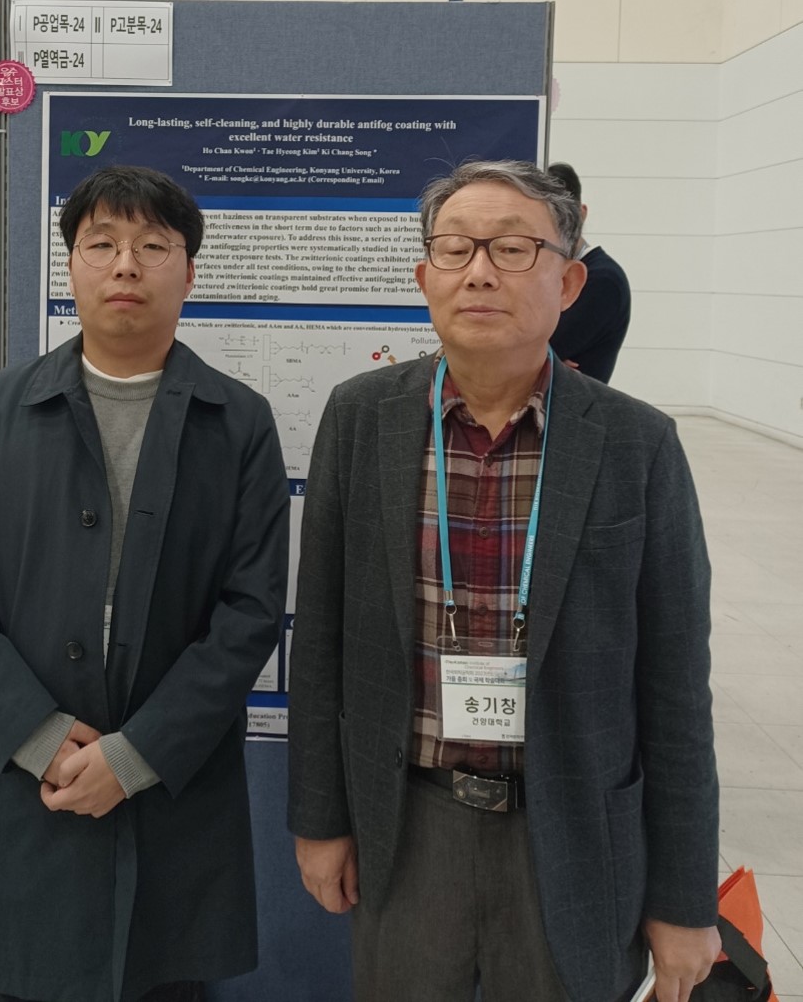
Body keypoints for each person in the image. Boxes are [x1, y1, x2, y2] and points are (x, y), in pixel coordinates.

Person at [287, 159, 718, 1002]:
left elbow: (674, 686)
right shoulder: (360, 417)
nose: (479, 270)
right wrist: (319, 818)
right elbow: (323, 640)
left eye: (513, 248)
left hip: (573, 830)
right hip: (408, 823)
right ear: (425, 278)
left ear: (569, 281)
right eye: (455, 247)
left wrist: (682, 897)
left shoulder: (637, 444)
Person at [0, 165, 289, 1002]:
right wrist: (36, 733)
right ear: (71, 265)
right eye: (102, 243)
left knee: (161, 978)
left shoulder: (239, 422)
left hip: (172, 789)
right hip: (25, 785)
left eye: (153, 246)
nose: (125, 264)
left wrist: (136, 753)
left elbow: (251, 609)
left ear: (188, 273)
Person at [547, 161, 631, 383]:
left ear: (581, 213)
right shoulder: (546, 272)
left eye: (562, 216)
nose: (554, 228)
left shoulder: (603, 280)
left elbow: (523, 355)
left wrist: (540, 362)